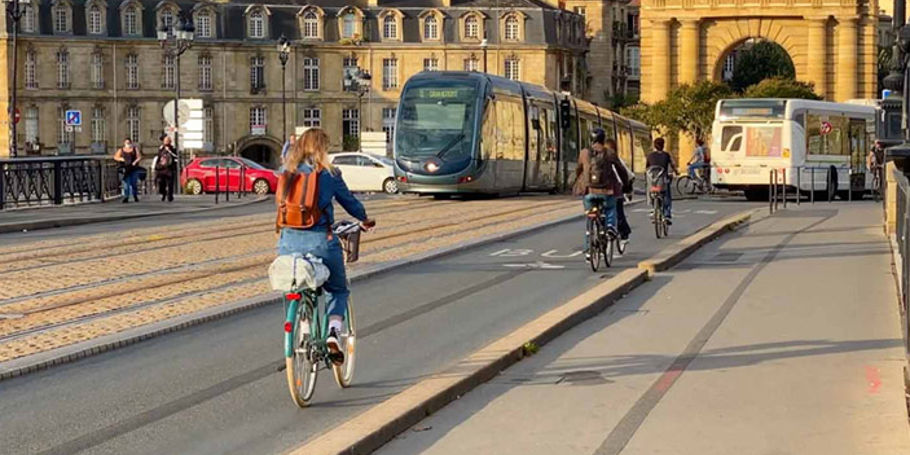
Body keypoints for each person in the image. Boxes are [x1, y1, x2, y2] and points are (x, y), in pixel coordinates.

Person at [277, 128, 374, 363]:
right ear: (323, 149)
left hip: (287, 243)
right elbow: (350, 202)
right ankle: (332, 332)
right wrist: (363, 218)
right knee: (338, 290)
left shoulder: (286, 172)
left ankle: (303, 326)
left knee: (294, 286)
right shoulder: (330, 174)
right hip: (321, 241)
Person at [574, 129, 630, 260]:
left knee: (589, 217)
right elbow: (621, 170)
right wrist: (626, 186)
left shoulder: (584, 153)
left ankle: (589, 250)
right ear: (603, 140)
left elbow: (578, 169)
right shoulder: (609, 153)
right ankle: (610, 227)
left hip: (589, 192)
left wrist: (576, 182)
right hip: (606, 191)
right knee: (611, 208)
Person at [646, 137, 677, 225]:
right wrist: (676, 172)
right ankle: (667, 215)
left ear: (654, 146)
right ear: (663, 146)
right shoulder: (666, 155)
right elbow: (673, 165)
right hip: (662, 181)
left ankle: (653, 209)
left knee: (650, 192)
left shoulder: (650, 155)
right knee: (667, 196)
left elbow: (647, 167)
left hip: (652, 181)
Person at [114, 138, 142, 203]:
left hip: (133, 168)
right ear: (124, 143)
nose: (128, 144)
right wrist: (121, 159)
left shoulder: (135, 149)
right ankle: (126, 196)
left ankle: (135, 195)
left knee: (133, 182)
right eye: (127, 142)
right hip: (125, 168)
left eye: (129, 142)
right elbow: (115, 157)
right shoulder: (121, 150)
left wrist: (135, 162)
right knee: (126, 183)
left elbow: (139, 157)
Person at [152, 134, 178, 202]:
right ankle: (163, 193)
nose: (167, 142)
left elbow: (176, 156)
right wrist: (155, 167)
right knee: (161, 183)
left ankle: (170, 196)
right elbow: (158, 157)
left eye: (168, 140)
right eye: (165, 140)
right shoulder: (161, 148)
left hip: (169, 168)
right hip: (161, 168)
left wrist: (169, 151)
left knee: (170, 184)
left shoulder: (173, 148)